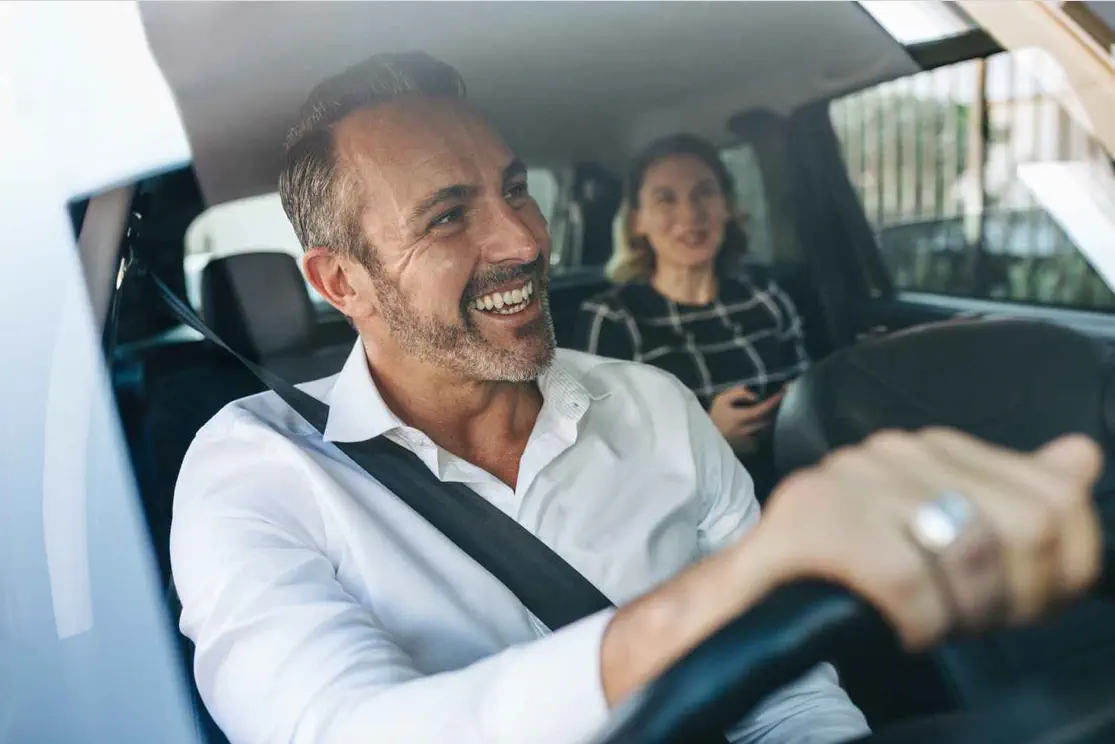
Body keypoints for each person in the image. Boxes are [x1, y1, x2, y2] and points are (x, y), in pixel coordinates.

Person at [171, 52, 1103, 744]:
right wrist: (728, 596)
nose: (522, 241)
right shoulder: (259, 469)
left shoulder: (654, 406)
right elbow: (339, 730)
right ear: (341, 282)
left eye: (515, 190)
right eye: (449, 215)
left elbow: (794, 697)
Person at [576, 134, 807, 499]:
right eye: (666, 198)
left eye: (704, 193)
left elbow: (805, 391)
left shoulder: (766, 298)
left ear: (727, 207)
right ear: (638, 221)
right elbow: (606, 459)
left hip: (793, 491)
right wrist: (708, 439)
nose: (690, 214)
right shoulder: (614, 318)